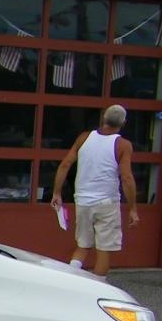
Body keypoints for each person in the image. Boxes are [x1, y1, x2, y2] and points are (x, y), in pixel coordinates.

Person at [50, 104, 139, 277]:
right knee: (104, 248)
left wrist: (56, 193)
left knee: (83, 245)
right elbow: (127, 178)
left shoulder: (84, 138)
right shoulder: (123, 145)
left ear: (103, 118)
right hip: (107, 202)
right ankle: (100, 285)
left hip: (82, 200)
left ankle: (69, 280)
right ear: (124, 123)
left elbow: (65, 164)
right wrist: (133, 208)